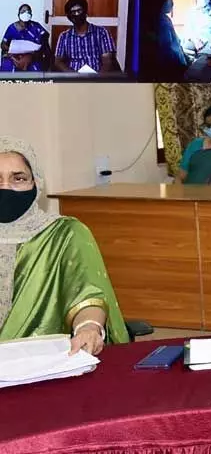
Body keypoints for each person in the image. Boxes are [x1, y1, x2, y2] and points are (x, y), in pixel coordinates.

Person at [0, 137, 128, 351]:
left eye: (18, 178)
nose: (6, 188)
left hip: (38, 359)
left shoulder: (63, 233)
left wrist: (89, 327)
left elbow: (89, 293)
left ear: (35, 184)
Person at [53, 0, 118, 73]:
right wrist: (73, 76)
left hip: (97, 77)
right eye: (73, 12)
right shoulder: (64, 36)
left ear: (85, 12)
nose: (77, 14)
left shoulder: (101, 32)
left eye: (79, 11)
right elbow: (58, 62)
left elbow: (107, 61)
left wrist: (98, 80)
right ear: (69, 17)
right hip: (73, 79)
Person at [145, 0, 189, 82]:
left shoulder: (165, 19)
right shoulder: (161, 22)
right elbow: (167, 48)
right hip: (171, 70)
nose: (170, 1)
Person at [1, 4, 50, 72]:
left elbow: (45, 38)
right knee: (8, 67)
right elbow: (3, 44)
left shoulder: (36, 26)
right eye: (23, 11)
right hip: (14, 56)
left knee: (36, 69)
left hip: (32, 56)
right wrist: (12, 52)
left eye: (28, 12)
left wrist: (32, 55)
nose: (26, 13)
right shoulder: (12, 28)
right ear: (19, 14)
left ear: (31, 15)